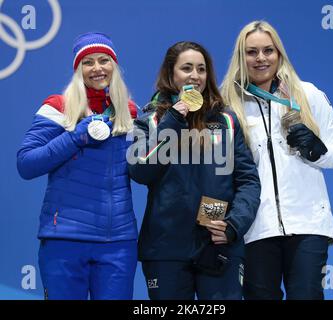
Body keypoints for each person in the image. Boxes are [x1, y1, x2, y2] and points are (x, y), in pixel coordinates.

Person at [221, 21, 333, 300]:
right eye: (251, 52)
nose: (261, 58)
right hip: (256, 227)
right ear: (241, 57)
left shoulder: (308, 94)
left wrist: (317, 150)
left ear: (279, 53)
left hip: (308, 222)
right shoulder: (228, 104)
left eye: (268, 50)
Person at [128, 41, 261, 300]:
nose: (195, 75)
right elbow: (140, 171)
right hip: (166, 248)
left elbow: (248, 182)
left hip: (219, 242)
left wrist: (233, 225)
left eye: (201, 69)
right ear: (171, 74)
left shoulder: (227, 121)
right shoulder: (149, 122)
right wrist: (174, 121)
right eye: (186, 68)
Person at [17, 32, 138, 300]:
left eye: (104, 60)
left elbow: (142, 168)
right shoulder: (57, 107)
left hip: (118, 243)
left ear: (114, 66)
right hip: (65, 240)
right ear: (77, 69)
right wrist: (75, 138)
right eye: (88, 62)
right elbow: (26, 164)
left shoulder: (129, 112)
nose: (97, 68)